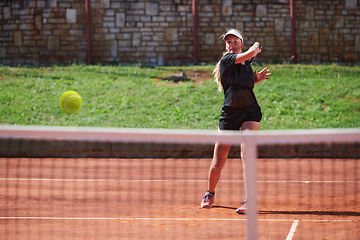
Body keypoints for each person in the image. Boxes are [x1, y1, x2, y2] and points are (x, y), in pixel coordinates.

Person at [200, 29, 271, 214]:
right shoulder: (227, 60)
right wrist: (256, 47)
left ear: (240, 43)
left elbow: (240, 85)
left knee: (247, 155)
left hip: (250, 112)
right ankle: (210, 193)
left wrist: (255, 79)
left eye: (234, 41)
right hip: (230, 114)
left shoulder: (246, 63)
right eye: (228, 42)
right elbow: (252, 52)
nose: (231, 45)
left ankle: (250, 199)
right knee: (218, 161)